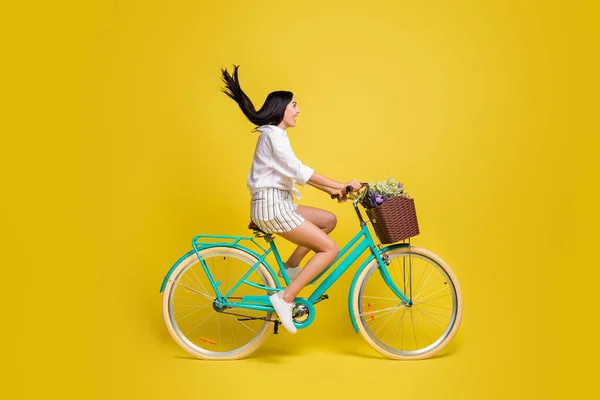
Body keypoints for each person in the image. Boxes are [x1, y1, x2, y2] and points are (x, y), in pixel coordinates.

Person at [220, 65, 362, 334]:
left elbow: (296, 172)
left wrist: (335, 188)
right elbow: (299, 171)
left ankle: (291, 269)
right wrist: (339, 184)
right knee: (330, 249)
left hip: (278, 203)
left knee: (328, 220)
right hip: (272, 207)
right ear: (282, 108)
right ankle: (285, 298)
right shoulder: (273, 136)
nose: (298, 110)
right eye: (294, 105)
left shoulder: (277, 136)